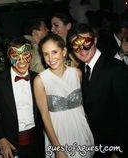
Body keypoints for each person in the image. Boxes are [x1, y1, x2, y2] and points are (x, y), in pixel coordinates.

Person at [68, 23, 128, 158]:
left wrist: (119, 151)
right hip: (91, 143)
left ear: (95, 40)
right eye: (76, 46)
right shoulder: (81, 70)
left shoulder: (116, 69)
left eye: (86, 43)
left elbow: (125, 113)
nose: (82, 50)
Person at [34, 33, 94, 158]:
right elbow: (45, 116)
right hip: (58, 134)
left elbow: (85, 107)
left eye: (54, 52)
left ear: (64, 51)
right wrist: (58, 148)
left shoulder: (77, 74)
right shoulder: (40, 80)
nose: (50, 58)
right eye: (46, 54)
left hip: (81, 129)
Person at [0, 38, 45, 158]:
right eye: (15, 55)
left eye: (25, 55)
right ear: (9, 57)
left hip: (38, 144)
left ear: (31, 55)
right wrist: (0, 138)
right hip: (10, 145)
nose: (21, 61)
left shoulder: (40, 79)